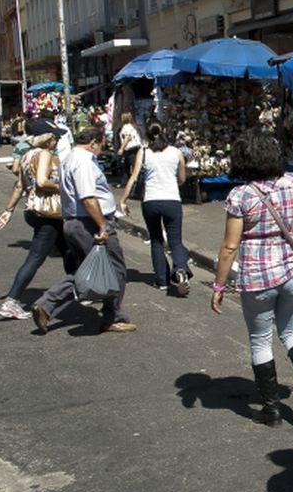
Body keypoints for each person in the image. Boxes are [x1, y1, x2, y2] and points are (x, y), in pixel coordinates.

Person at [210, 133, 293, 426]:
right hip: (292, 272)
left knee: (260, 340)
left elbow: (229, 247)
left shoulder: (241, 195)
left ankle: (271, 409)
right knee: (292, 331)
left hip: (258, 276)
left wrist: (219, 286)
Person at [31, 128, 136, 334]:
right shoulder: (84, 162)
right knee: (115, 269)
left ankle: (46, 305)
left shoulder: (69, 159)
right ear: (93, 142)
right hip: (88, 223)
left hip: (74, 222)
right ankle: (111, 316)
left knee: (85, 271)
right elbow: (88, 197)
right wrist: (102, 225)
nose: (102, 148)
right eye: (102, 144)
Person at [0, 131, 75, 320]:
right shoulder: (45, 154)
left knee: (68, 250)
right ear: (47, 140)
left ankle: (78, 288)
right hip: (48, 212)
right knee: (36, 257)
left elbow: (19, 186)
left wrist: (8, 210)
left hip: (35, 210)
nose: (56, 142)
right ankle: (11, 300)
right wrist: (65, 186)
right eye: (54, 138)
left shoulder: (26, 156)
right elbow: (41, 181)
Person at [119, 123, 190, 295]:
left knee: (156, 240)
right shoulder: (176, 152)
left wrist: (122, 200)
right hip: (172, 200)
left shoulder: (143, 152)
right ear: (165, 132)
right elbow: (182, 179)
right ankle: (180, 268)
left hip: (150, 201)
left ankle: (162, 280)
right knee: (175, 240)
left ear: (148, 136)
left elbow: (134, 178)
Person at [118, 112, 142, 188]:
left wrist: (121, 148)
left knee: (129, 166)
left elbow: (127, 138)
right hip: (136, 147)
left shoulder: (126, 127)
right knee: (129, 165)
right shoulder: (133, 126)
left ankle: (131, 183)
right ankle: (127, 182)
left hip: (130, 148)